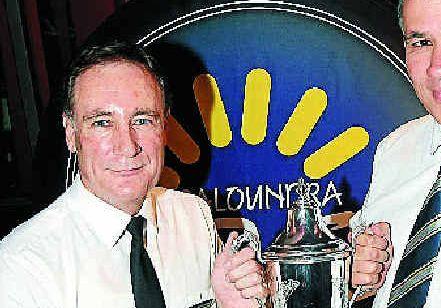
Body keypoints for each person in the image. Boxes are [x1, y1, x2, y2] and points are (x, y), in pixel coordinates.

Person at [0, 41, 264, 308]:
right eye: (102, 122)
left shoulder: (194, 216)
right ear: (71, 133)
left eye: (142, 120)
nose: (127, 146)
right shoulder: (21, 267)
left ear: (164, 127)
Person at [350, 0, 441, 307]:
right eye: (421, 42)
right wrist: (362, 283)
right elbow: (363, 283)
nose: (438, 65)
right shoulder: (396, 149)